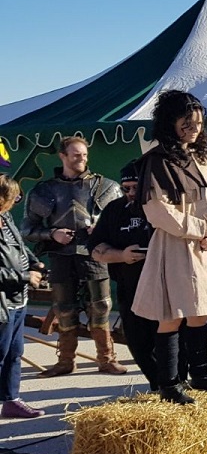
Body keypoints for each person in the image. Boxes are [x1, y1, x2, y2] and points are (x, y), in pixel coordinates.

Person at [132, 91, 207, 404]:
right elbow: (158, 211)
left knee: (201, 312)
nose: (194, 128)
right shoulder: (156, 161)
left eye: (198, 123)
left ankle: (199, 373)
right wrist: (199, 229)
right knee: (172, 315)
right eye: (186, 122)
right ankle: (169, 383)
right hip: (175, 246)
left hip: (204, 248)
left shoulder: (204, 159)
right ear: (170, 122)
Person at [20, 135, 124, 376]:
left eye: (84, 155)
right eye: (76, 154)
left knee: (100, 307)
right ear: (63, 156)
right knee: (64, 309)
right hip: (61, 256)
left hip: (95, 254)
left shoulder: (106, 187)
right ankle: (66, 362)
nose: (82, 159)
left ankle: (106, 359)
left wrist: (101, 229)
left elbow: (121, 224)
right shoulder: (44, 191)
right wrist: (52, 233)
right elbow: (27, 229)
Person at [88, 163, 159, 391]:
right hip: (130, 285)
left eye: (135, 187)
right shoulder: (115, 209)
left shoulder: (160, 207)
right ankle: (158, 383)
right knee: (138, 342)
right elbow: (95, 247)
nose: (130, 193)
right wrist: (122, 255)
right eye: (125, 187)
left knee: (168, 339)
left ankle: (172, 382)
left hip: (162, 284)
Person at [0, 176, 47, 419]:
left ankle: (11, 399)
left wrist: (35, 263)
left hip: (17, 298)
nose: (15, 202)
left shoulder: (5, 218)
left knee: (14, 352)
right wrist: (22, 275)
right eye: (12, 197)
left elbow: (19, 246)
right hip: (2, 302)